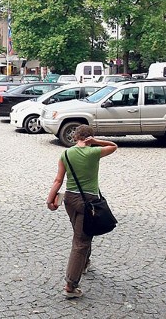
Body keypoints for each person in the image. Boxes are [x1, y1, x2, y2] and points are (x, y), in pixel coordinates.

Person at [46, 125, 117, 299]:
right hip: (89, 202)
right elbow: (114, 146)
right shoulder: (94, 153)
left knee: (84, 231)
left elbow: (58, 180)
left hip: (70, 200)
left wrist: (50, 199)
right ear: (90, 138)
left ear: (75, 137)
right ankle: (70, 285)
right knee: (81, 240)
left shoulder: (66, 154)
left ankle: (84, 263)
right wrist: (96, 142)